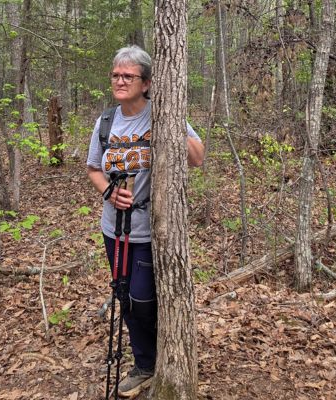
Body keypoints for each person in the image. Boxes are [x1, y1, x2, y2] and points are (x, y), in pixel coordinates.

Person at [86, 45, 204, 397]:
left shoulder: (161, 114)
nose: (120, 81)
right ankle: (144, 362)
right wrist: (109, 192)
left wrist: (172, 124)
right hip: (114, 229)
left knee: (142, 297)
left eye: (128, 76)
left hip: (151, 231)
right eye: (116, 75)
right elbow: (93, 168)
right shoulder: (106, 121)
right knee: (124, 296)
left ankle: (156, 360)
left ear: (147, 82)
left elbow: (197, 157)